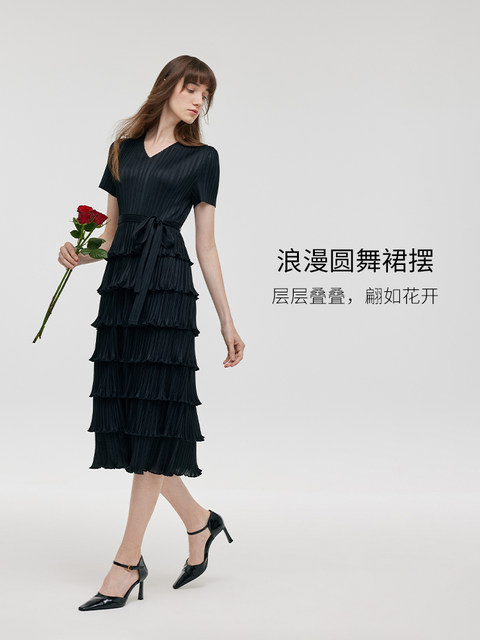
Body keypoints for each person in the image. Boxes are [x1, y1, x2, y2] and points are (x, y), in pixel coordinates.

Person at [58, 55, 245, 611]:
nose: (198, 101)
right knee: (137, 422)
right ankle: (199, 522)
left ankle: (126, 562)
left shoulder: (203, 159)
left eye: (205, 95)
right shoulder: (122, 151)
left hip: (166, 292)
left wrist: (227, 321)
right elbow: (112, 233)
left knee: (154, 419)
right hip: (120, 291)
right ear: (168, 87)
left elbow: (206, 245)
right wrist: (78, 253)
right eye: (192, 89)